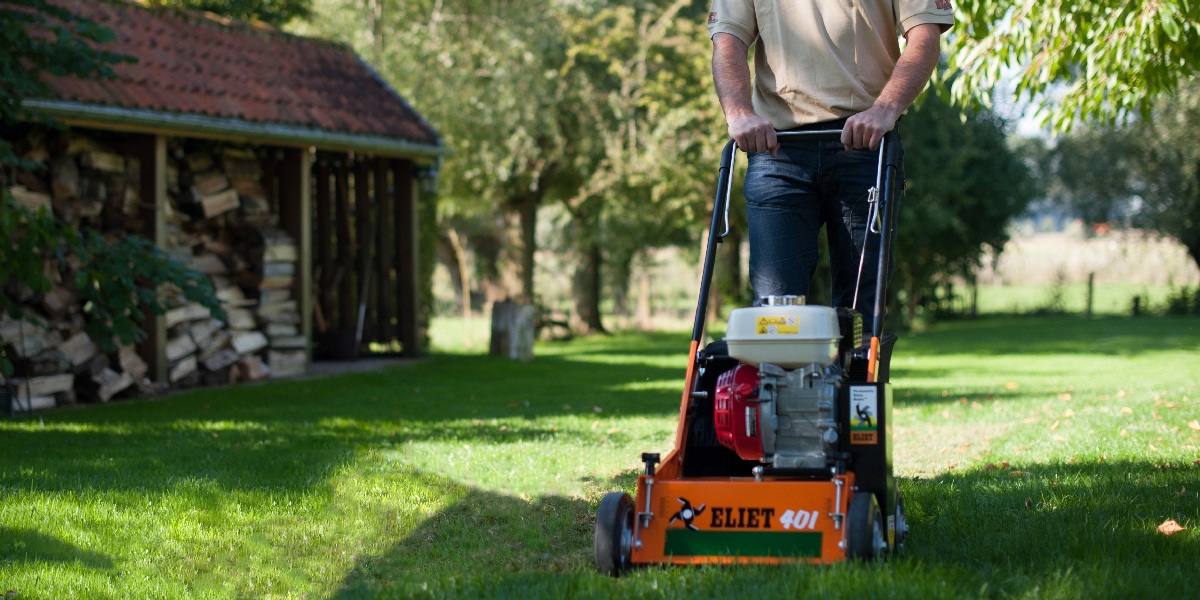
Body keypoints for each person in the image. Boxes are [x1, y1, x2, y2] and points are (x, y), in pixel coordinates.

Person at [707, 1, 954, 312]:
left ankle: (858, 343)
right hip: (777, 149)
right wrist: (739, 113)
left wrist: (885, 109)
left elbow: (925, 34)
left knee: (861, 310)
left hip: (865, 143)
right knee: (775, 309)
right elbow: (728, 40)